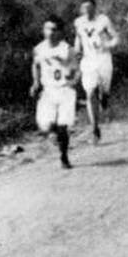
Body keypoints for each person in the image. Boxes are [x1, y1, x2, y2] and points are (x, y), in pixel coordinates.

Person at [31, 16, 79, 169]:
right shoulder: (39, 48)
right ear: (43, 30)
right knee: (44, 125)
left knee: (63, 126)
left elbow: (76, 69)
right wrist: (35, 82)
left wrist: (72, 76)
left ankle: (64, 156)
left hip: (65, 89)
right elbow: (35, 65)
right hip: (49, 90)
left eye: (54, 29)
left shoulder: (67, 49)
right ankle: (53, 133)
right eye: (47, 29)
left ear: (60, 32)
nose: (50, 33)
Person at [73, 0, 118, 143]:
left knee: (104, 90)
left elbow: (116, 37)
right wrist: (77, 50)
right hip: (88, 61)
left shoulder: (103, 20)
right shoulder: (78, 23)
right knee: (90, 92)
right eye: (85, 9)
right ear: (81, 10)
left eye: (90, 8)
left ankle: (105, 97)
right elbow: (78, 39)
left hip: (104, 59)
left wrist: (107, 45)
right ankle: (95, 129)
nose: (88, 11)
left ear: (95, 8)